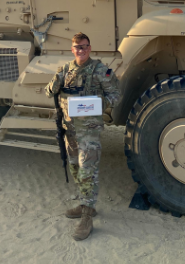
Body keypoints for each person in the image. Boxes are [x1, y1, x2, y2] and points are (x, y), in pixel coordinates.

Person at [44, 32, 120, 241]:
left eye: (85, 46)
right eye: (78, 47)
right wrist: (55, 85)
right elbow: (48, 92)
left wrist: (96, 105)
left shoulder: (100, 70)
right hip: (70, 129)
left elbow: (115, 94)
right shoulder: (65, 69)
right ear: (72, 49)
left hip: (90, 129)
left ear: (90, 47)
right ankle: (85, 203)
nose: (81, 50)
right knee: (75, 167)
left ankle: (87, 215)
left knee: (88, 169)